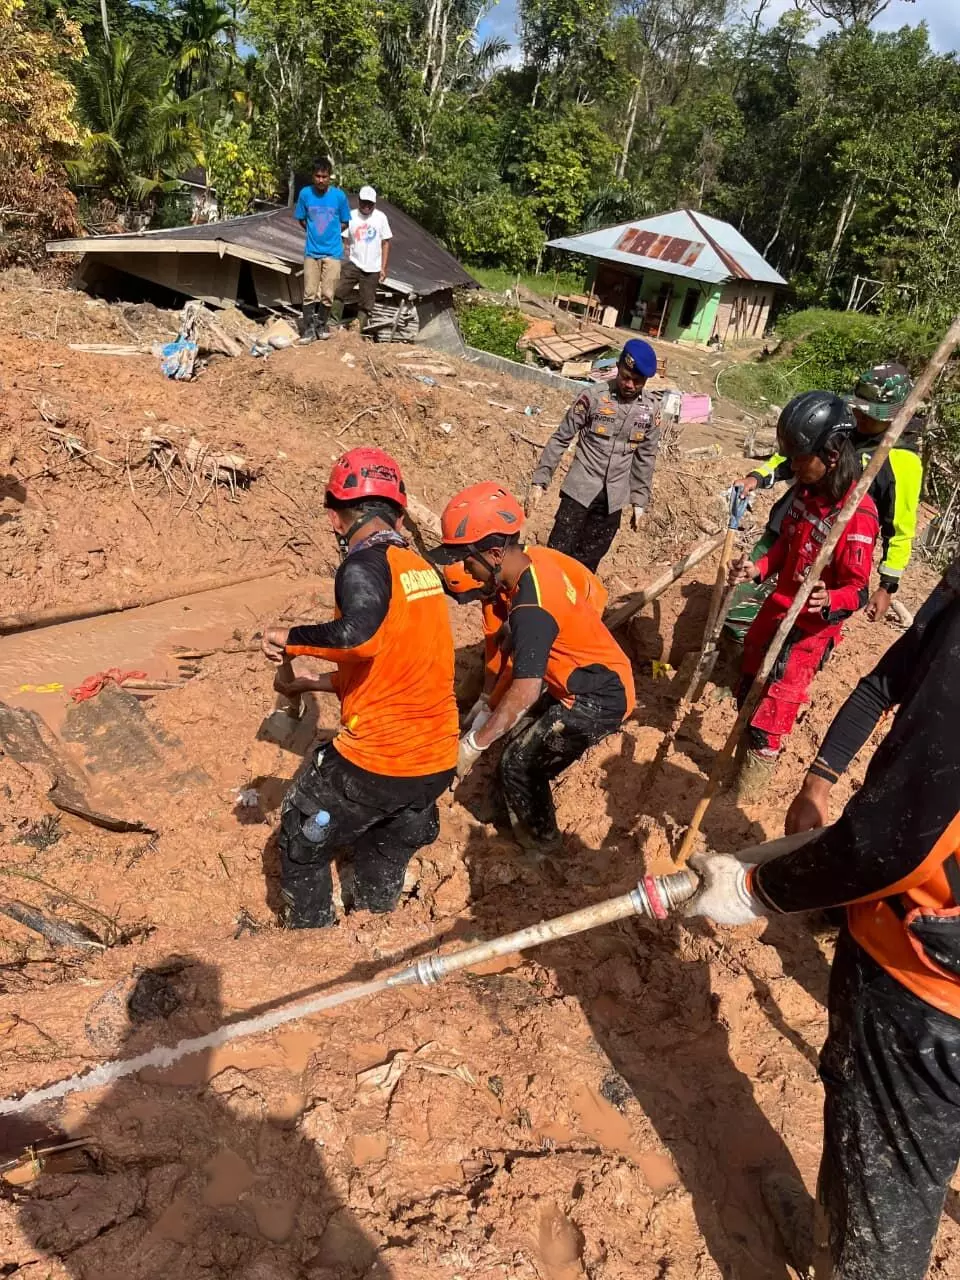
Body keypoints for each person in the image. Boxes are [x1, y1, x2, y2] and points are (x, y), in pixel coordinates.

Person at [685, 555, 960, 1280]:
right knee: (872, 1141)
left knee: (890, 1180)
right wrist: (820, 780)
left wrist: (758, 890)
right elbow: (885, 683)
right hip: (911, 947)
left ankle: (853, 1258)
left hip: (927, 990)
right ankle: (831, 1241)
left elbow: (894, 841)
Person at [260, 446, 458, 928]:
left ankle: (312, 943)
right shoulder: (419, 571)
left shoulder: (363, 565)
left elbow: (358, 638)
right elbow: (393, 664)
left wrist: (290, 637)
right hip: (435, 763)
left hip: (381, 763)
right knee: (386, 844)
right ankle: (375, 921)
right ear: (399, 513)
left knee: (302, 835)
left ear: (335, 516)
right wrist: (311, 682)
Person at [429, 481, 635, 850]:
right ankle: (502, 812)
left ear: (494, 553)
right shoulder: (532, 564)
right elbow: (513, 651)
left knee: (521, 762)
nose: (467, 571)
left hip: (600, 696)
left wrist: (473, 743)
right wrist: (489, 704)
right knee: (514, 738)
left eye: (468, 560)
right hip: (580, 675)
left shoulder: (531, 610)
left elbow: (525, 689)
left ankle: (543, 845)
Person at [729, 392, 879, 801]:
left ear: (831, 453)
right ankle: (731, 775)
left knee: (770, 719)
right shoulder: (806, 492)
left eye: (800, 459)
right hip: (775, 613)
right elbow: (786, 545)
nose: (793, 467)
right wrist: (758, 569)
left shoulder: (857, 516)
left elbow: (858, 591)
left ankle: (742, 799)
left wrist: (829, 599)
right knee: (747, 690)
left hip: (806, 638)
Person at [728, 361, 922, 637]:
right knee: (741, 603)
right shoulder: (839, 425)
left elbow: (900, 529)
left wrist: (887, 586)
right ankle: (739, 645)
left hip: (828, 555)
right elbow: (792, 455)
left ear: (896, 416)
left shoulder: (902, 462)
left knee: (800, 622)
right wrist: (757, 477)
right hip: (789, 526)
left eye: (871, 415)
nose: (861, 417)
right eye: (859, 409)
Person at [526, 338, 662, 573]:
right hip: (580, 491)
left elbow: (646, 456)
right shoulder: (593, 397)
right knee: (556, 557)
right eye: (625, 377)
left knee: (587, 565)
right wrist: (540, 481)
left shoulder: (650, 410)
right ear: (618, 367)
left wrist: (639, 502)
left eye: (637, 381)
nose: (629, 385)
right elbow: (561, 438)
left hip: (613, 500)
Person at [294, 158, 351, 344]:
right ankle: (308, 329)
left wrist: (331, 233)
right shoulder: (305, 194)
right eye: (317, 176)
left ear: (329, 177)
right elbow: (301, 219)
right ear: (313, 176)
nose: (320, 180)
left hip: (333, 252)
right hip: (312, 252)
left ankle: (321, 325)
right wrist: (314, 232)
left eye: (324, 177)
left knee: (328, 293)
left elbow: (345, 221)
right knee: (309, 292)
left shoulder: (339, 196)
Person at [331, 185, 392, 335]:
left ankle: (356, 330)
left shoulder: (381, 218)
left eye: (370, 203)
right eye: (364, 202)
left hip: (373, 266)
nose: (367, 206)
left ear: (374, 203)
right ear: (359, 201)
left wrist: (383, 268)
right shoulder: (351, 216)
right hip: (354, 262)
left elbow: (386, 243)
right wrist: (339, 257)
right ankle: (332, 322)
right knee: (338, 289)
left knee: (367, 301)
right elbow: (343, 238)